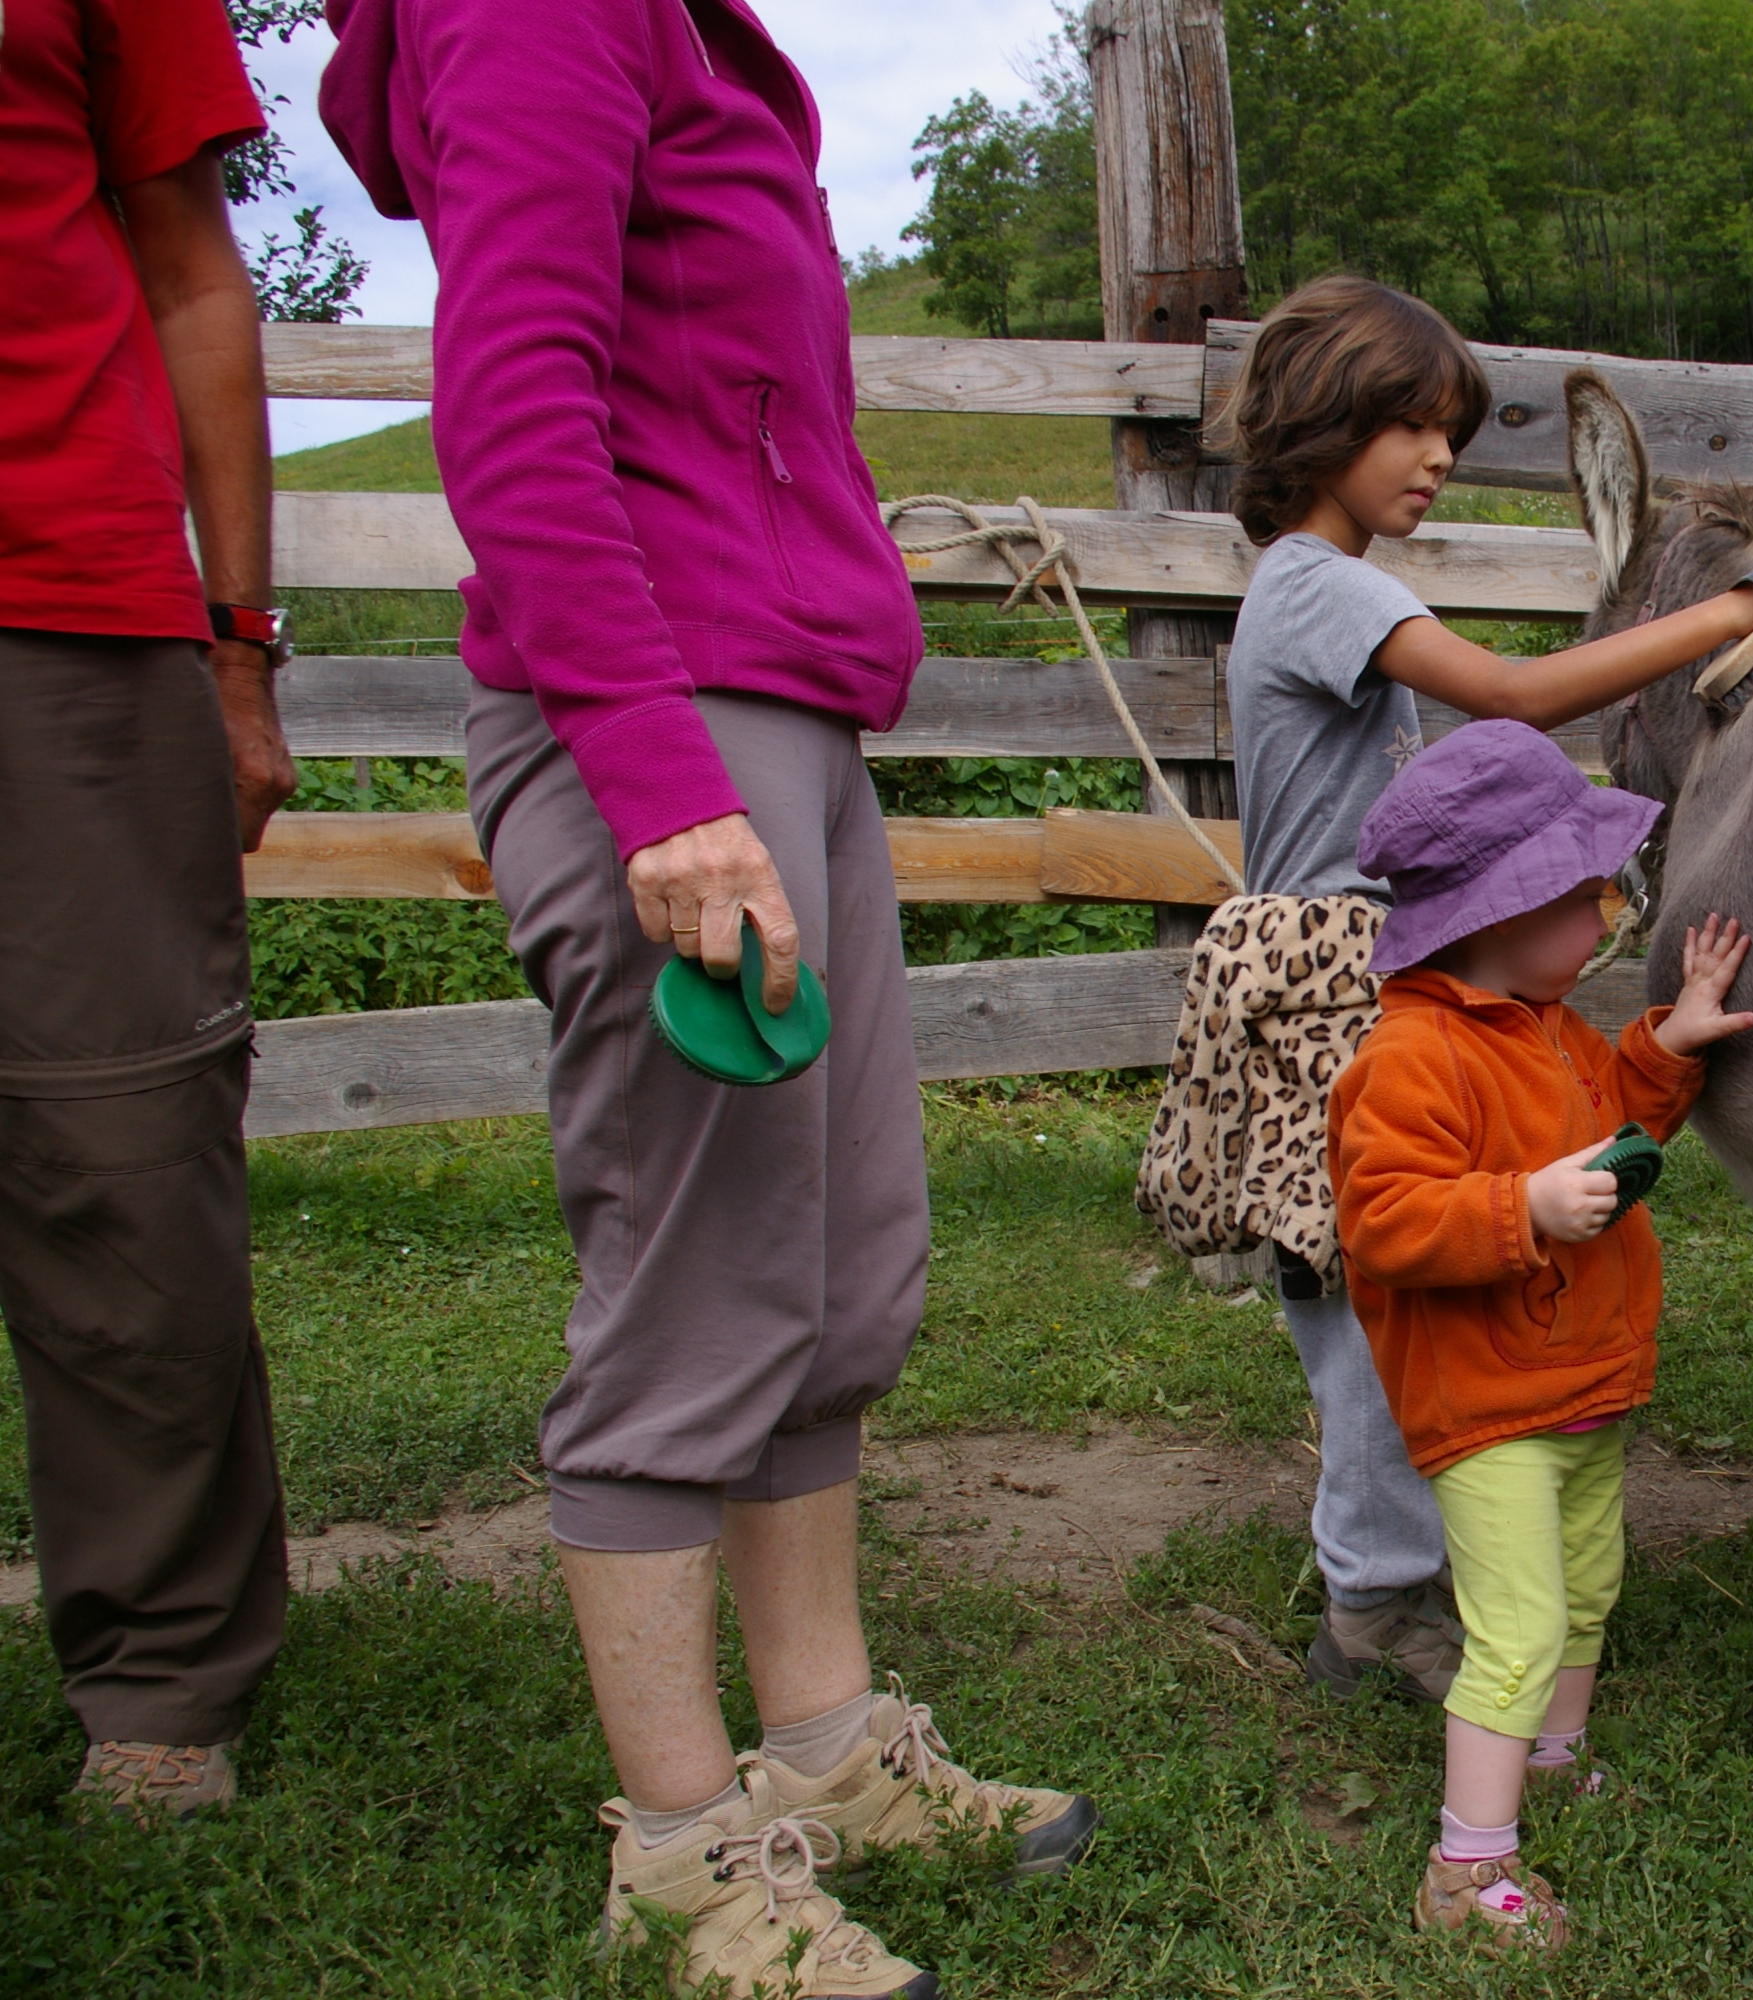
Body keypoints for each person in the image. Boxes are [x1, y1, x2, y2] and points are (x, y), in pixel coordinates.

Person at [320, 1, 1088, 1987]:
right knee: (696, 1281)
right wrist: (659, 786)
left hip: (777, 702)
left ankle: (826, 1750)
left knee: (831, 1264)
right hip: (660, 712)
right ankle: (677, 1850)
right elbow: (508, 404)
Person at [1209, 274, 1753, 1701]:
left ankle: (1426, 1571)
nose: (1437, 460)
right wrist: (1750, 599)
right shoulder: (1321, 581)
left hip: (1357, 965)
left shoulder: (1313, 586)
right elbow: (1516, 696)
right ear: (1322, 423)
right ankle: (1375, 1610)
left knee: (1396, 1297)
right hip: (1340, 987)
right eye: (1410, 427)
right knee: (1376, 1314)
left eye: (1449, 433)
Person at [0, 0, 299, 1822]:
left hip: (60, 598)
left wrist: (237, 643)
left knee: (117, 1150)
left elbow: (195, 274)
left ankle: (166, 1659)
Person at [1332, 721, 1753, 1946]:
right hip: (1488, 1402)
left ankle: (1554, 1760)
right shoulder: (1411, 1054)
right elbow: (1383, 1218)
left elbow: (1608, 1111)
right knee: (1514, 1626)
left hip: (1578, 1382)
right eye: (1584, 896)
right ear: (1493, 912)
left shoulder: (1546, 1023)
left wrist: (1668, 1042)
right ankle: (1465, 1869)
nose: (1608, 911)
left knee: (1586, 1588)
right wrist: (1518, 1206)